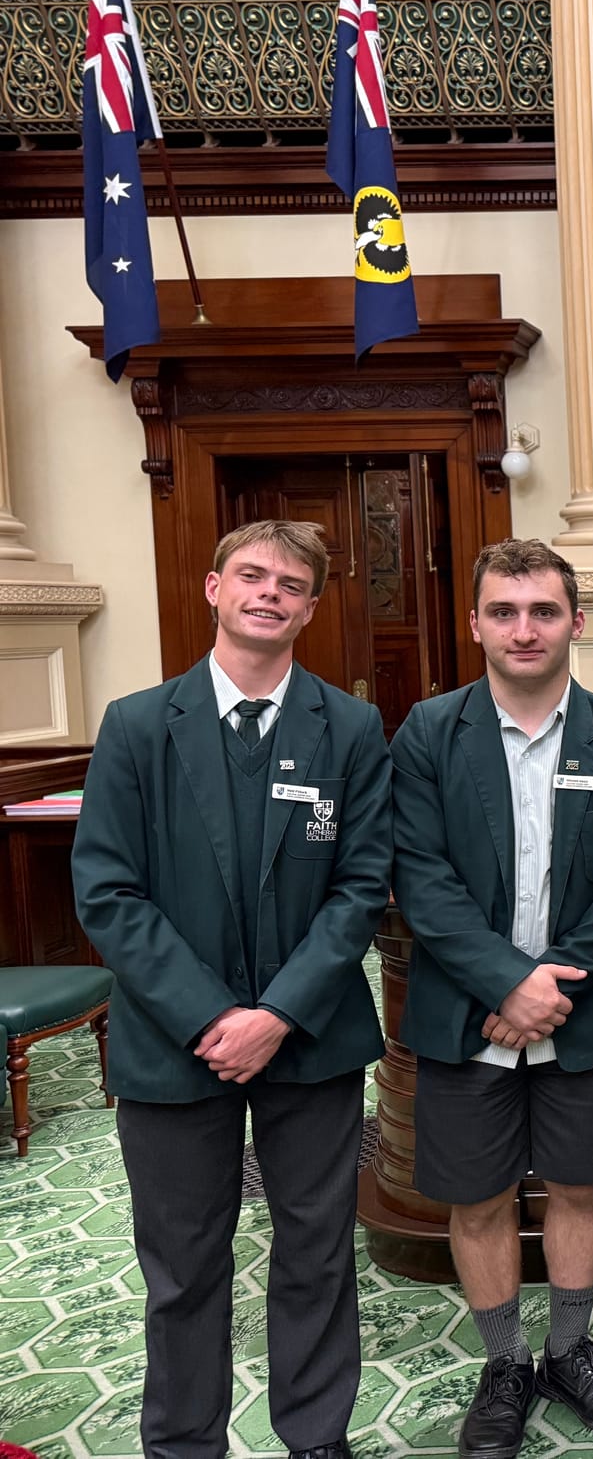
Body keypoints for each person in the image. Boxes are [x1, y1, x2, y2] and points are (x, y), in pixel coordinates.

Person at [72, 519, 391, 1459]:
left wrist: (279, 1014)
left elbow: (361, 887)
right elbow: (107, 890)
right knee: (181, 1266)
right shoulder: (137, 724)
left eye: (291, 585)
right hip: (174, 1046)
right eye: (251, 576)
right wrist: (216, 1017)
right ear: (213, 588)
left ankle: (316, 1435)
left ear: (311, 608)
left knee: (318, 1254)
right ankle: (182, 1444)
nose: (269, 594)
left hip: (313, 1038)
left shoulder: (353, 726)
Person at [392, 540, 593, 1459]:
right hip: (467, 1012)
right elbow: (421, 879)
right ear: (475, 623)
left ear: (576, 624)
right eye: (504, 611)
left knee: (582, 1184)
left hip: (583, 1007)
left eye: (543, 611)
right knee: (476, 1197)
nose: (523, 628)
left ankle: (568, 1349)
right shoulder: (428, 734)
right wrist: (505, 981)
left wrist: (548, 984)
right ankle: (506, 1365)